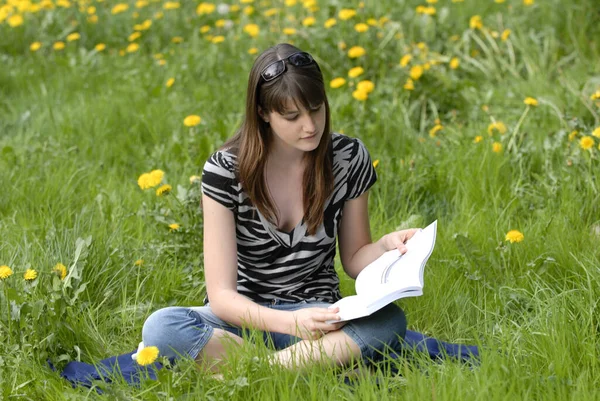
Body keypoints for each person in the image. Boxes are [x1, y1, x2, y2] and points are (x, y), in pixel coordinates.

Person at [141, 43, 419, 373]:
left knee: (388, 321)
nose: (310, 126)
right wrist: (290, 323)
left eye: (316, 109)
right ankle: (303, 367)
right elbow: (222, 296)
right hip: (244, 317)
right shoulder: (224, 171)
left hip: (319, 314)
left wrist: (386, 248)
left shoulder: (348, 158)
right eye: (292, 116)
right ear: (263, 113)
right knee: (161, 327)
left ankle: (254, 373)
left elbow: (356, 259)